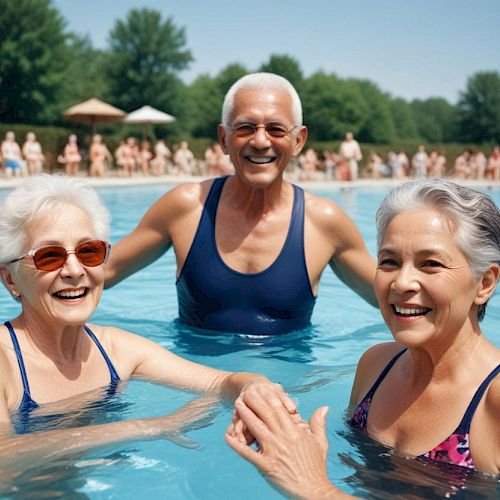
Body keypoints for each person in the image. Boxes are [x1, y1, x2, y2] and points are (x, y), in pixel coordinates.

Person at [226, 178, 500, 497]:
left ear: (484, 283)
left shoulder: (492, 402)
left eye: (431, 264)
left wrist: (314, 489)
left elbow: (319, 486)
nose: (402, 282)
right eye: (389, 262)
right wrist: (289, 442)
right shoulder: (376, 366)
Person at [0, 174, 292, 464]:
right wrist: (151, 427)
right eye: (49, 256)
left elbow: (221, 382)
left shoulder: (117, 351)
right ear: (10, 279)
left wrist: (254, 386)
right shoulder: (5, 364)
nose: (74, 270)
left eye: (90, 251)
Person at [104, 72, 377, 335]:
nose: (260, 141)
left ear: (298, 141)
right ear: (224, 139)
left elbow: (390, 297)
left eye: (276, 129)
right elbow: (104, 272)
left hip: (288, 382)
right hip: (197, 380)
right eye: (246, 128)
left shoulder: (324, 222)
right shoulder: (186, 207)